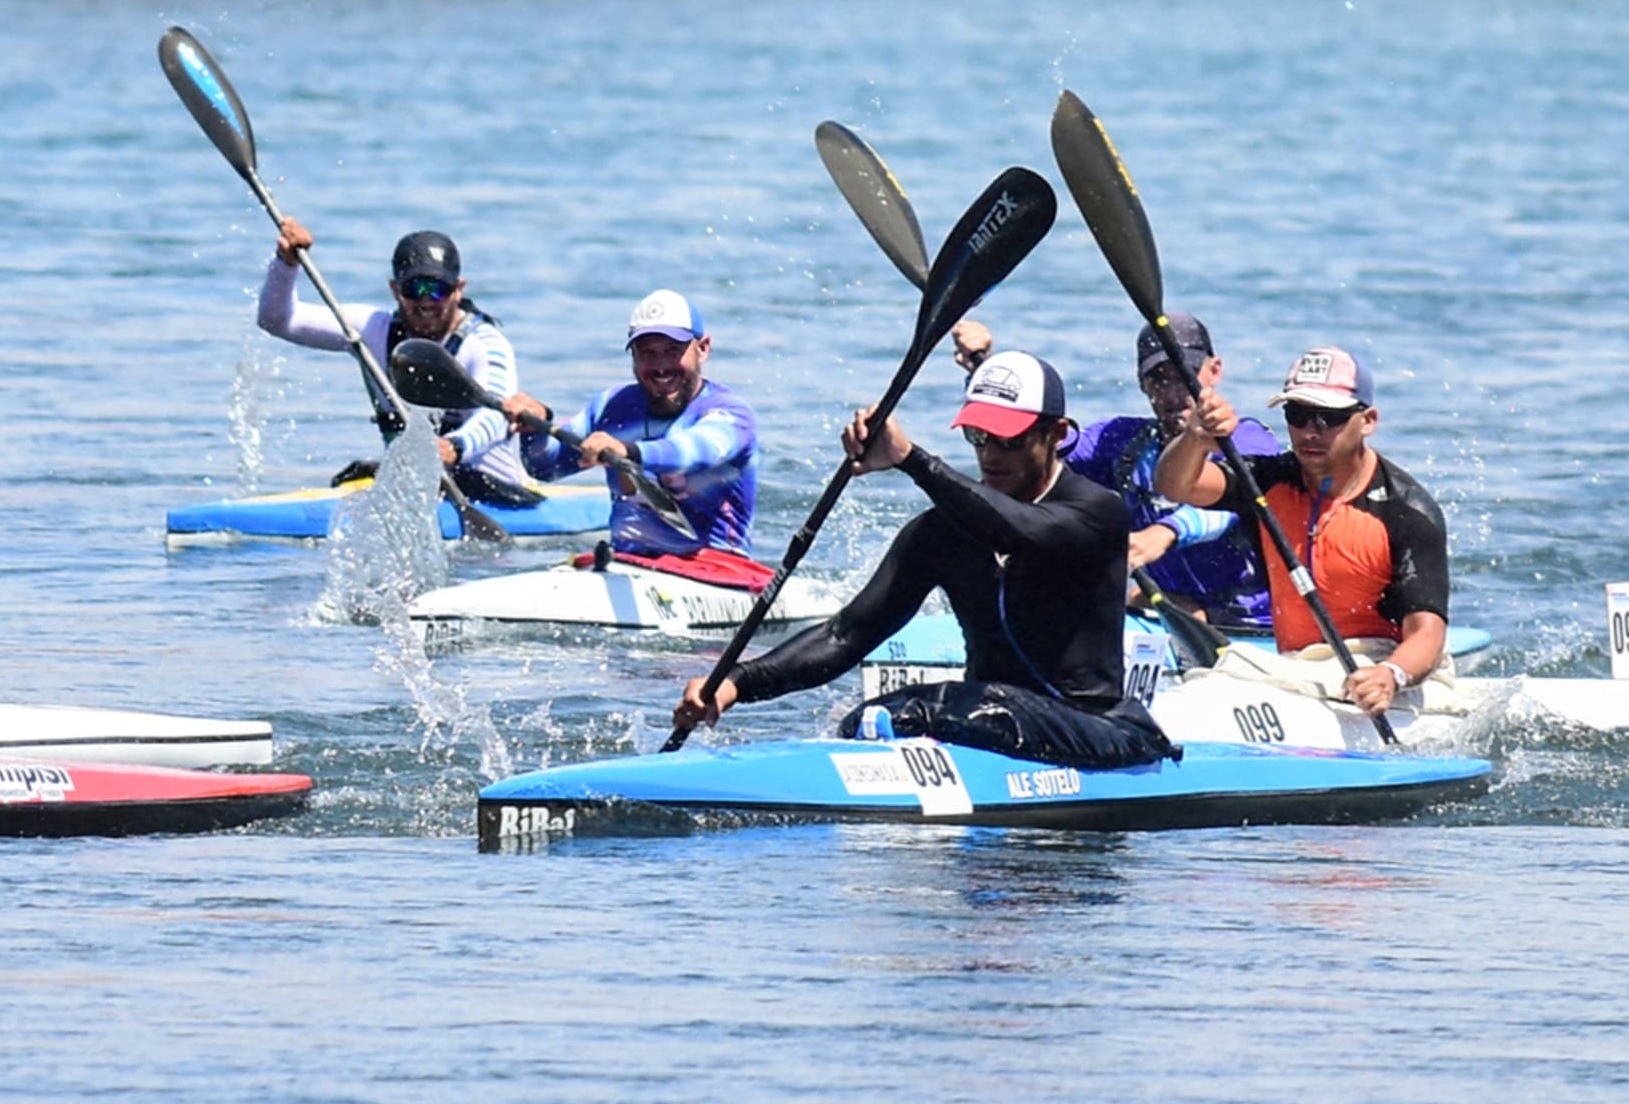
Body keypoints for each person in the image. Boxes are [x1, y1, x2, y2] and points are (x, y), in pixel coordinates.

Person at [670, 349, 1175, 768]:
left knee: (951, 706)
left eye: (1009, 439)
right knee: (869, 717)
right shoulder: (943, 533)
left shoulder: (1096, 513)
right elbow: (846, 634)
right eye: (979, 437)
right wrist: (736, 683)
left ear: (1057, 434)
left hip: (1104, 736)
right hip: (990, 724)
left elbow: (1021, 532)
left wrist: (910, 458)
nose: (991, 455)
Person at [1153, 344, 1448, 716]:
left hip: (1377, 672)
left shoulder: (1406, 512)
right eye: (1298, 414)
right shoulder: (1271, 480)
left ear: (1368, 420)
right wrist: (1194, 440)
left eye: (1328, 418)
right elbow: (1176, 485)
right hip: (1298, 669)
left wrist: (1391, 675)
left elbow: (1427, 631)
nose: (1310, 431)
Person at [998, 312, 1278, 626]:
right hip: (1172, 614)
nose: (1173, 392)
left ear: (1214, 371)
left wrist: (1166, 532)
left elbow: (1233, 506)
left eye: (1184, 373)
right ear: (1142, 385)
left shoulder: (1251, 440)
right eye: (1160, 378)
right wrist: (989, 381)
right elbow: (1036, 446)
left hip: (1259, 624)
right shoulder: (1122, 442)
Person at [256, 219, 535, 504]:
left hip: (495, 495)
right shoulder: (369, 330)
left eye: (437, 289)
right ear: (395, 289)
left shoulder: (485, 345)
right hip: (416, 488)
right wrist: (286, 264)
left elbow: (497, 418)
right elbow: (278, 321)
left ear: (458, 289)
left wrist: (455, 446)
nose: (426, 302)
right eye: (414, 288)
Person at [511, 289, 759, 556]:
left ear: (703, 349)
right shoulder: (612, 406)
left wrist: (628, 452)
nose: (661, 366)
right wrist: (536, 425)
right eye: (647, 353)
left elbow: (690, 452)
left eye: (672, 351)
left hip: (716, 570)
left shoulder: (730, 414)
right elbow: (545, 467)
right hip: (627, 563)